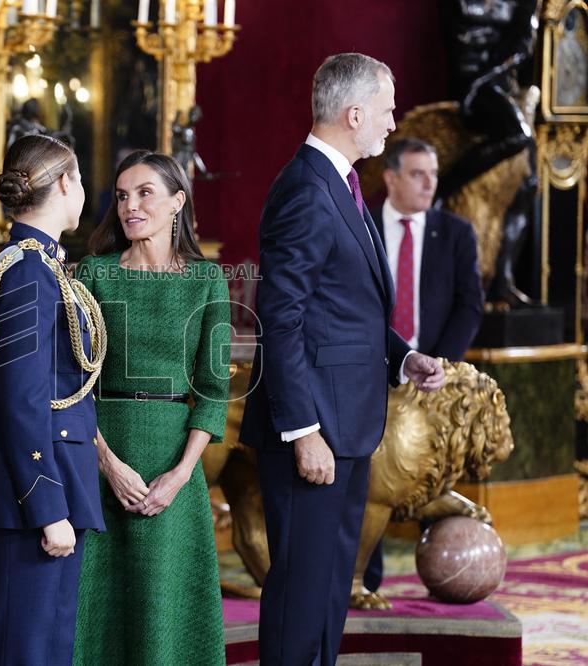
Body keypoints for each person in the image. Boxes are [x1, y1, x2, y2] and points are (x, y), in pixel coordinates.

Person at [237, 54, 446, 666]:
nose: (392, 120)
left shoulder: (342, 185)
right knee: (300, 596)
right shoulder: (305, 189)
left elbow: (344, 311)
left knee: (328, 594)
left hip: (348, 429)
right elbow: (283, 319)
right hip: (314, 432)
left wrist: (402, 359)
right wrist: (303, 432)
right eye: (386, 109)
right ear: (354, 114)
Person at [73, 150, 230, 665]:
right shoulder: (92, 274)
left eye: (145, 193)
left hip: (173, 464)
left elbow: (212, 387)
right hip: (102, 457)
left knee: (167, 612)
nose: (130, 205)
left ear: (177, 202)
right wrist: (107, 463)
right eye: (122, 195)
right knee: (99, 612)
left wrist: (180, 475)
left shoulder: (207, 281)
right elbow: (73, 386)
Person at [0, 134, 107, 665]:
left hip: (50, 483)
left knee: (47, 650)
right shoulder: (26, 272)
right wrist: (48, 508)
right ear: (66, 183)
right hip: (32, 495)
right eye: (81, 179)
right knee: (24, 654)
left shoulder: (42, 266)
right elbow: (23, 402)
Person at [361, 137, 484, 592]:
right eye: (418, 173)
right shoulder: (364, 226)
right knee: (370, 482)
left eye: (433, 174)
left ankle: (443, 574)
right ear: (391, 177)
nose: (429, 183)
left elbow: (470, 305)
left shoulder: (455, 232)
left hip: (434, 380)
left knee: (427, 477)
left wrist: (439, 365)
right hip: (371, 373)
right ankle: (365, 581)